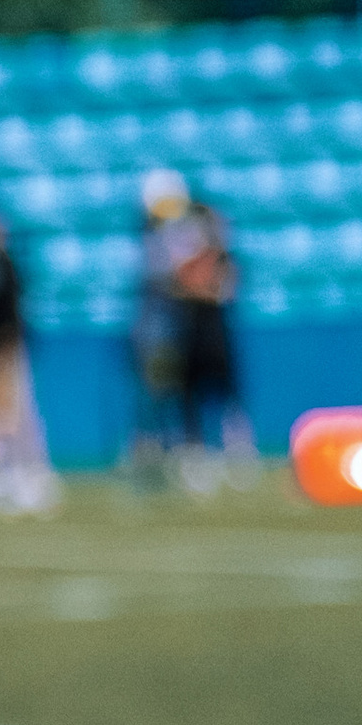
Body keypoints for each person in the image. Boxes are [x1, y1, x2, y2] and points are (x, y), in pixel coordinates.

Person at [132, 169, 248, 487]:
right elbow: (173, 277)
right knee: (180, 390)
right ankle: (183, 451)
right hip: (178, 323)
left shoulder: (201, 224)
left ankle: (235, 446)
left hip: (206, 319)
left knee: (223, 385)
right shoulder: (157, 234)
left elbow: (221, 269)